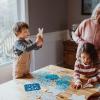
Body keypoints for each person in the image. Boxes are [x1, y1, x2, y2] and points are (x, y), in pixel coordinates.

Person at [72, 3, 100, 89]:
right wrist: (81, 42)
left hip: (95, 61)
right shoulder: (86, 23)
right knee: (80, 77)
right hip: (82, 57)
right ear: (96, 12)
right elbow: (74, 34)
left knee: (94, 86)